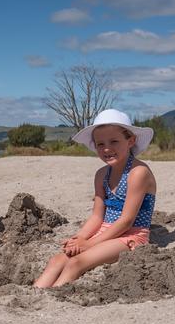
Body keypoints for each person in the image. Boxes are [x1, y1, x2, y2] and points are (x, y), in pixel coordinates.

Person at [34, 109, 156, 288]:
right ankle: (34, 294)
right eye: (100, 144)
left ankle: (52, 298)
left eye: (114, 141)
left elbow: (127, 221)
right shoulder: (101, 175)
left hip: (131, 235)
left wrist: (89, 244)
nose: (107, 149)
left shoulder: (138, 173)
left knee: (76, 263)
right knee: (56, 261)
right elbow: (97, 216)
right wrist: (80, 238)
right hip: (104, 231)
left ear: (131, 141)